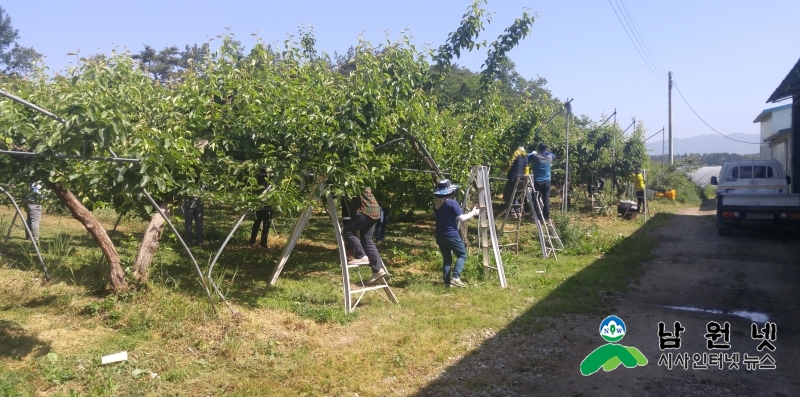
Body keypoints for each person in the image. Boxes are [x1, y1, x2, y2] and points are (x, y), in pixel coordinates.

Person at [433, 179, 479, 288]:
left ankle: (446, 283)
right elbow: (462, 218)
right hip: (451, 234)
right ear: (450, 192)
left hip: (439, 235)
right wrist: (473, 212)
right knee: (462, 254)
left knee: (447, 258)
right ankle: (456, 277)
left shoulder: (435, 204)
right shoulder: (452, 203)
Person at [343, 187, 385, 284]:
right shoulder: (364, 176)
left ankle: (360, 255)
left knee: (348, 232)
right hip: (374, 209)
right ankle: (378, 270)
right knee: (367, 240)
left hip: (364, 210)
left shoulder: (352, 175)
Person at [528, 143, 555, 222]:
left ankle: (539, 217)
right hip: (547, 181)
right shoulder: (549, 157)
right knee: (546, 199)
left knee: (535, 198)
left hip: (538, 181)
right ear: (546, 149)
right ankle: (546, 217)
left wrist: (533, 152)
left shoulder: (536, 157)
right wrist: (546, 152)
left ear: (539, 149)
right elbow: (553, 155)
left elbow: (527, 156)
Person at [501, 146, 528, 218]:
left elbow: (510, 164)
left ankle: (512, 212)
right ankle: (518, 212)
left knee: (507, 195)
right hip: (522, 179)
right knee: (514, 196)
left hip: (514, 178)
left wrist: (503, 172)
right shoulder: (525, 156)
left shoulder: (516, 153)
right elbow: (526, 168)